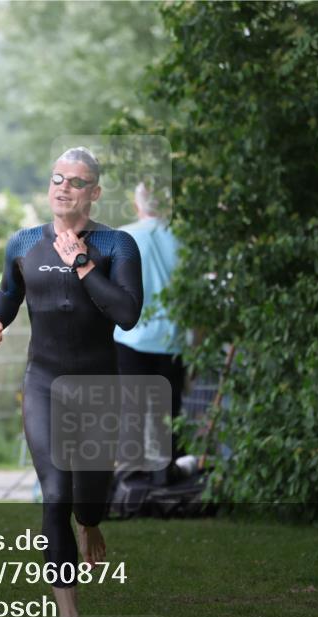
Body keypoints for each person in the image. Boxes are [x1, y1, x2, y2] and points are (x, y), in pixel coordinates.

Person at [0, 147, 143, 617]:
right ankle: (68, 615)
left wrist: (84, 265)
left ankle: (91, 522)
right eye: (56, 179)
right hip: (44, 383)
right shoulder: (24, 243)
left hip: (97, 386)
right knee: (54, 495)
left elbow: (128, 314)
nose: (62, 188)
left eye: (76, 182)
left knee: (88, 498)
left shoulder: (118, 245)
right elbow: (8, 295)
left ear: (94, 192)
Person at [114, 183, 187, 477]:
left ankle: (131, 472)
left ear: (137, 205)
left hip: (130, 336)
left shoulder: (124, 237)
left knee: (131, 408)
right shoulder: (183, 239)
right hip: (172, 337)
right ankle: (164, 472)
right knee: (168, 411)